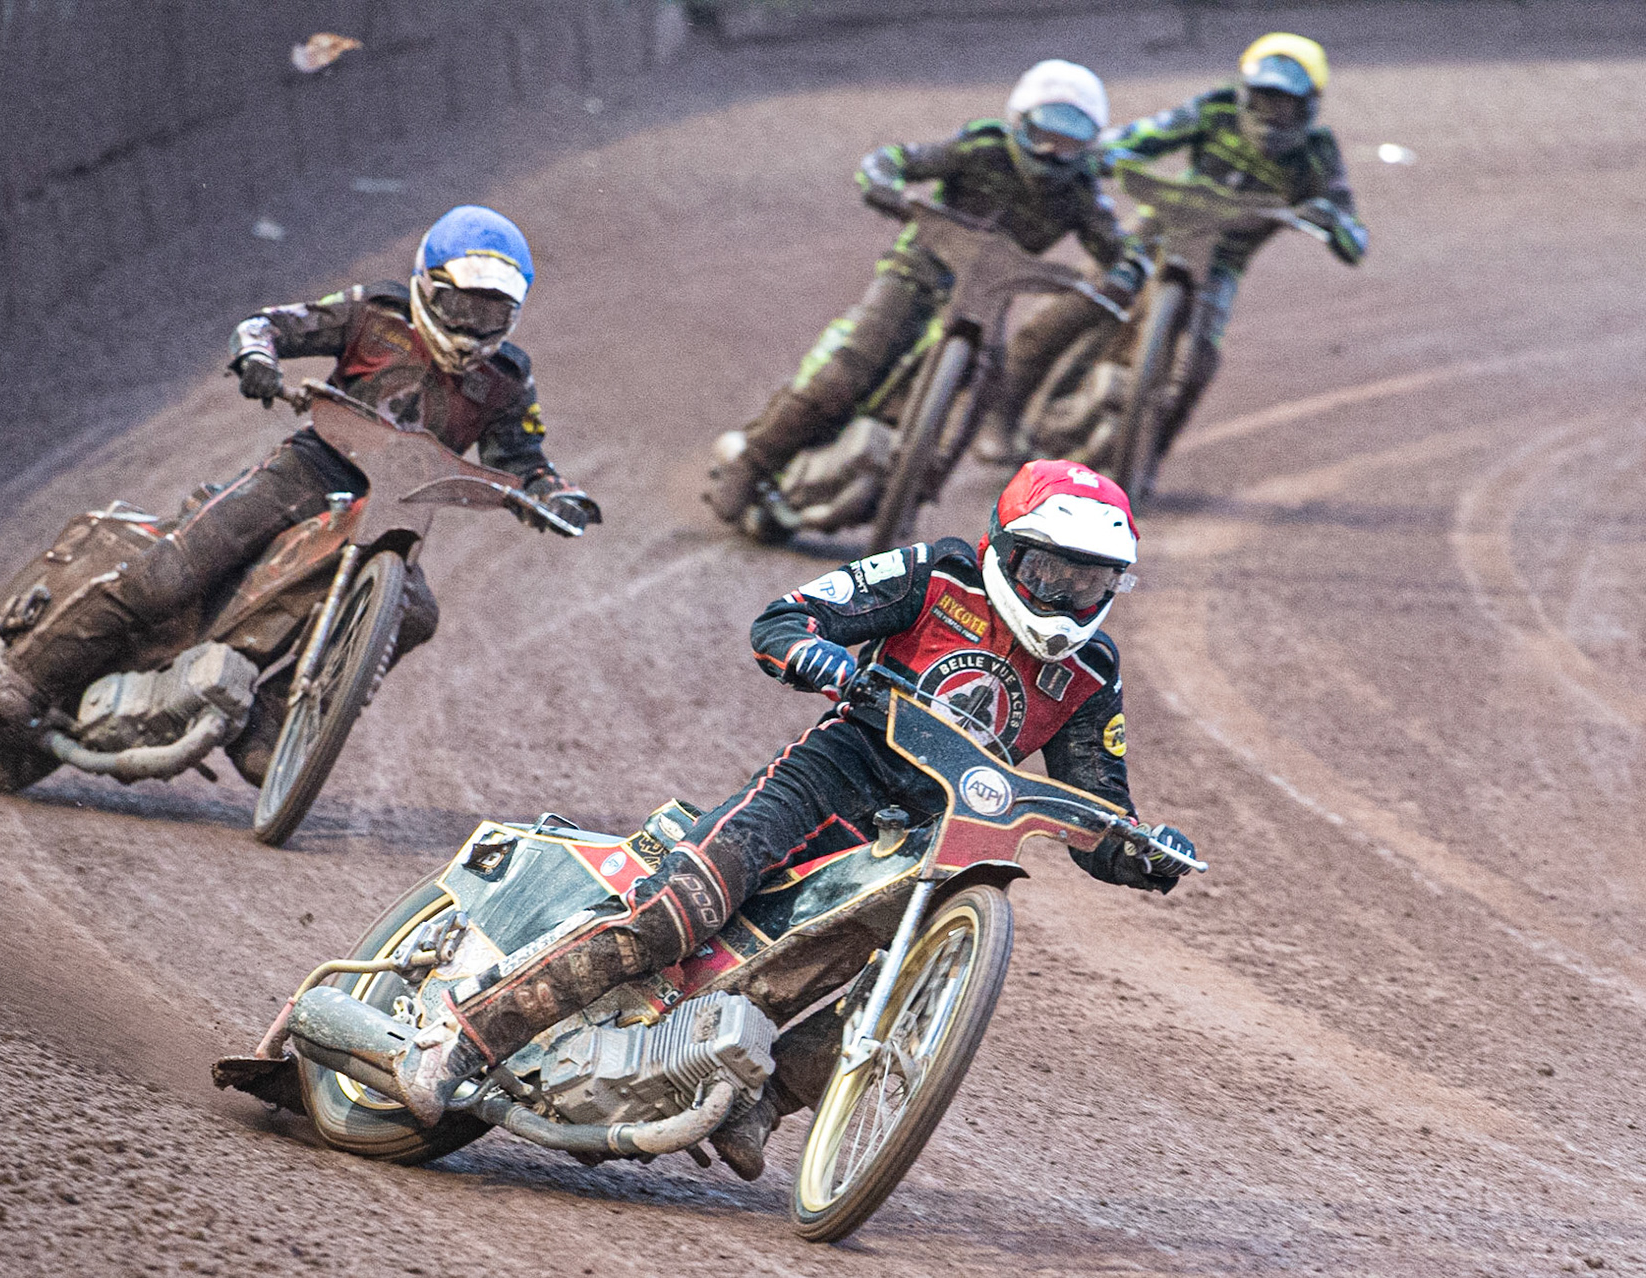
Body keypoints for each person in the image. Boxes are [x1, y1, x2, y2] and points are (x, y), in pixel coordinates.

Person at [391, 459, 1198, 1180]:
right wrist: (816, 654)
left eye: (1091, 582)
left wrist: (1142, 850)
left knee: (905, 981)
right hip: (827, 778)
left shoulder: (1093, 672)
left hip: (922, 844)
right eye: (1050, 571)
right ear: (1003, 549)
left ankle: (763, 1106)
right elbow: (786, 618)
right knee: (680, 913)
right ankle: (466, 1036)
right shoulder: (937, 574)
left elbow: (1100, 809)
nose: (1067, 596)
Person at [0, 205, 600, 781]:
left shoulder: (509, 378)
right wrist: (258, 360)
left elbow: (524, 458)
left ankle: (271, 720)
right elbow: (265, 325)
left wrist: (555, 495)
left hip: (398, 512)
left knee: (416, 611)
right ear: (426, 289)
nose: (473, 327)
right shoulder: (372, 312)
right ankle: (26, 680)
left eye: (493, 314)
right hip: (311, 468)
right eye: (462, 307)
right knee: (172, 574)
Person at [704, 60, 1147, 531]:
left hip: (988, 299)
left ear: (1089, 146)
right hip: (916, 272)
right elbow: (896, 160)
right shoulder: (981, 148)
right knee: (848, 371)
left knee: (979, 387)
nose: (1053, 153)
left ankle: (915, 488)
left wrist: (1124, 274)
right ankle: (750, 465)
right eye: (1044, 135)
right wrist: (884, 186)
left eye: (1071, 143)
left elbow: (1124, 250)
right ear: (1020, 121)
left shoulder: (1082, 192)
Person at [1098, 33, 1368, 486]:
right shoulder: (1216, 108)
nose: (1270, 114)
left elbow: (1354, 237)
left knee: (1199, 361)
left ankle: (1148, 456)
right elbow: (1146, 135)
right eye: (1263, 99)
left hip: (1220, 264)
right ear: (1244, 92)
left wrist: (1331, 220)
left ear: (1308, 106)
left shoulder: (1315, 155)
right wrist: (1101, 153)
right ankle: (1007, 409)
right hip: (1161, 226)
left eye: (1283, 104)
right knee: (1093, 291)